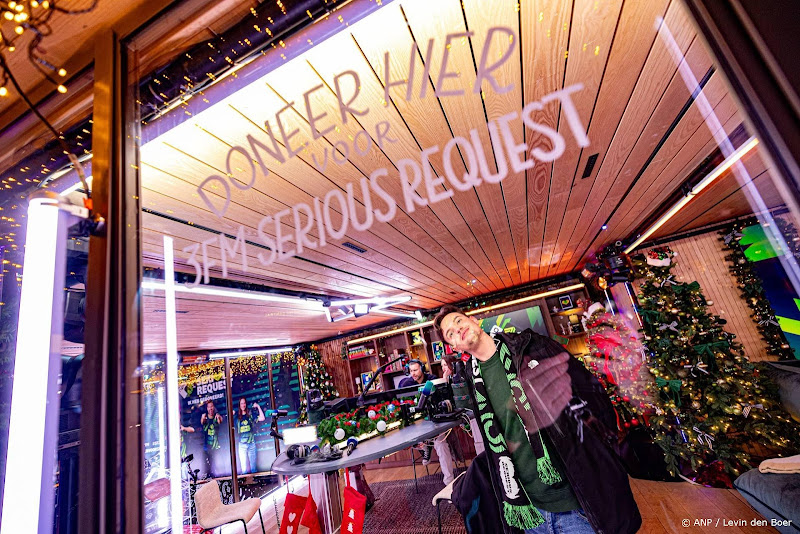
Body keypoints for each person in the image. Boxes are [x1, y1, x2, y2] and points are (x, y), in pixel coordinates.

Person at [434, 305, 641, 534]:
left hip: (578, 502)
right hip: (532, 510)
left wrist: (604, 456)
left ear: (473, 320)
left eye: (458, 321)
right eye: (450, 333)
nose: (457, 329)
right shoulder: (474, 381)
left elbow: (593, 397)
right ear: (454, 347)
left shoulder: (532, 346)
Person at [398, 359, 456, 485]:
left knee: (441, 444)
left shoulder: (432, 379)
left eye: (415, 370)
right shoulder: (406, 384)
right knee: (409, 437)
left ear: (422, 369)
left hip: (434, 420)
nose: (413, 373)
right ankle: (424, 447)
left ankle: (449, 480)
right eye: (411, 371)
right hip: (417, 423)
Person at [441, 354, 484, 455]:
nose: (443, 368)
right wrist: (444, 380)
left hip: (471, 410)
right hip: (461, 413)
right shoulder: (450, 379)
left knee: (479, 438)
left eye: (445, 365)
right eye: (442, 366)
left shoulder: (462, 376)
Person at [235, 397, 265, 474]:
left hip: (251, 444)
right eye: (241, 403)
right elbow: (226, 424)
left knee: (253, 469)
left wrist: (258, 406)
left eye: (244, 403)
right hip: (242, 445)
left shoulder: (250, 414)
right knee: (244, 470)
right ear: (239, 405)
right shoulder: (236, 417)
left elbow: (262, 418)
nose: (243, 405)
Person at [200, 400, 224, 478]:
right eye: (209, 407)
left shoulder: (217, 416)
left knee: (217, 468)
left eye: (211, 406)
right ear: (207, 408)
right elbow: (202, 422)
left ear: (214, 407)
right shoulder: (205, 417)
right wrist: (203, 418)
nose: (210, 408)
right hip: (207, 448)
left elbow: (220, 421)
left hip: (215, 447)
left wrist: (218, 417)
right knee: (207, 469)